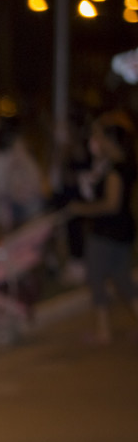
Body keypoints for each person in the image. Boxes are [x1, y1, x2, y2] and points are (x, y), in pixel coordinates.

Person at [68, 121, 138, 345]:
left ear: (110, 141)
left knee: (96, 278)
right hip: (122, 231)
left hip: (107, 232)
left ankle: (103, 331)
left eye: (99, 137)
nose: (95, 141)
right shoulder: (120, 166)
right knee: (122, 279)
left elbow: (111, 205)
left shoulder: (115, 171)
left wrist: (81, 209)